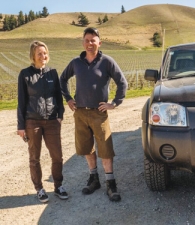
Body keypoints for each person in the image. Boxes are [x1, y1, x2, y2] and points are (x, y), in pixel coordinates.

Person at [59, 27, 128, 202]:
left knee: (105, 149)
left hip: (99, 114)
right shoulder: (76, 62)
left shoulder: (107, 62)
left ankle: (111, 184)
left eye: (93, 40)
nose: (90, 43)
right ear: (83, 42)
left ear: (99, 42)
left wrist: (114, 103)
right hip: (80, 113)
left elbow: (122, 82)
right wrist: (68, 98)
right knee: (86, 148)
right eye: (87, 40)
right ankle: (94, 179)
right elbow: (62, 79)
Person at [17, 41, 68, 203]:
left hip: (52, 121)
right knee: (34, 157)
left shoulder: (52, 73)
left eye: (45, 53)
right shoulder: (25, 74)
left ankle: (58, 185)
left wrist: (60, 115)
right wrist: (21, 126)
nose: (43, 56)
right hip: (33, 122)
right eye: (39, 53)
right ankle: (39, 189)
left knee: (57, 156)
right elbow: (21, 101)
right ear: (33, 56)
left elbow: (59, 98)